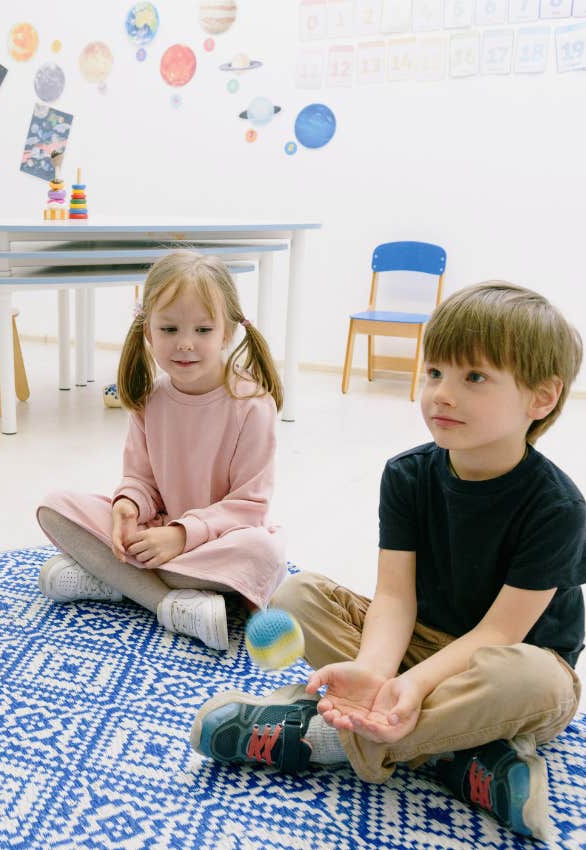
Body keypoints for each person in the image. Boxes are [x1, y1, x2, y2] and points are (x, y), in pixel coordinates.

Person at [190, 282, 584, 839]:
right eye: (434, 372)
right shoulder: (407, 475)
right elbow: (396, 598)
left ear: (541, 399)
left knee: (536, 680)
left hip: (505, 659)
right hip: (417, 641)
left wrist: (414, 685)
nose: (441, 394)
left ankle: (326, 740)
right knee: (295, 597)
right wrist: (376, 672)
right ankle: (458, 752)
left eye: (473, 378)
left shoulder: (558, 508)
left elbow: (499, 632)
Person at [36, 251, 286, 650]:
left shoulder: (253, 406)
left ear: (228, 332)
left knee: (264, 553)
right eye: (169, 329)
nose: (185, 344)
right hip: (158, 537)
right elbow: (141, 480)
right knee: (55, 506)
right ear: (148, 332)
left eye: (203, 330)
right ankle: (165, 601)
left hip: (218, 543)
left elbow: (248, 507)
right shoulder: (149, 400)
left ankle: (114, 579)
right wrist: (128, 507)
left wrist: (181, 536)